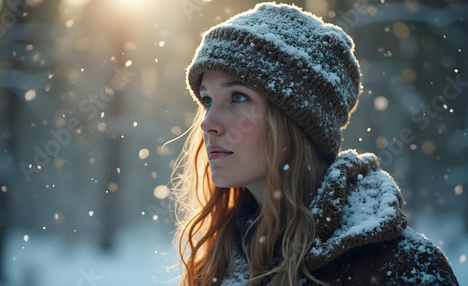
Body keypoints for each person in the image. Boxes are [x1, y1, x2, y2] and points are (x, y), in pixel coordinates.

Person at [170, 2, 459, 285]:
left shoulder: (401, 267)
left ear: (297, 119)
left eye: (238, 97)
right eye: (207, 100)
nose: (208, 124)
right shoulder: (218, 263)